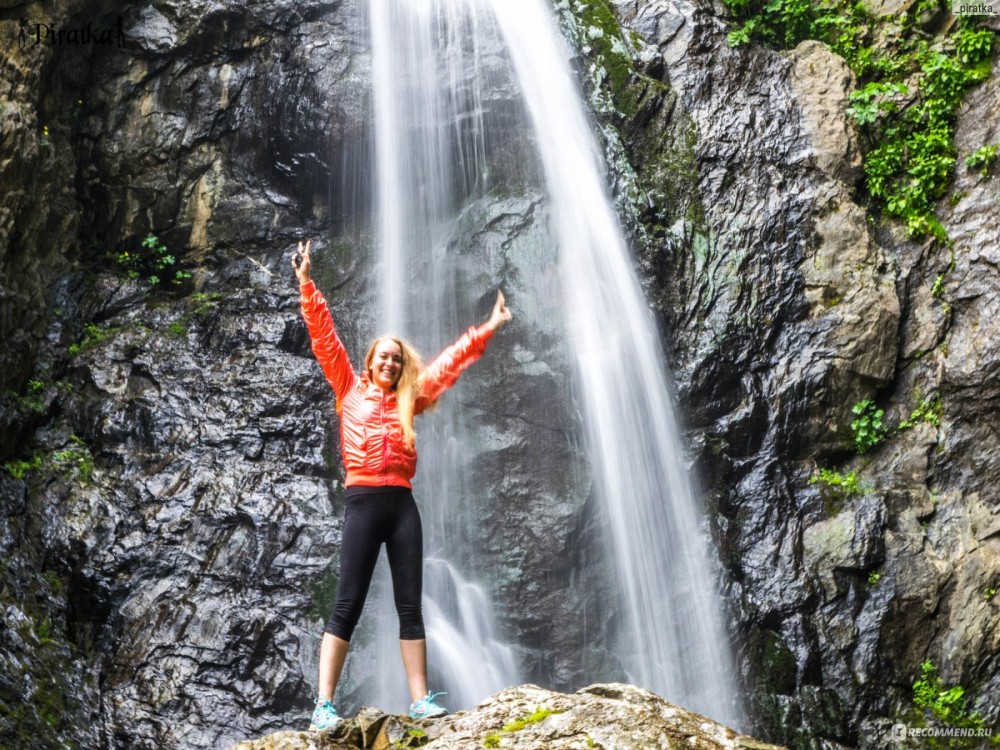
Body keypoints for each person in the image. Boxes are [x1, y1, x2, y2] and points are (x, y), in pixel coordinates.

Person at [292, 239, 512, 731]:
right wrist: (307, 284)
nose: (390, 363)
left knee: (410, 606)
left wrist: (489, 327)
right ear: (369, 363)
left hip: (401, 507)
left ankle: (419, 700)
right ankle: (323, 704)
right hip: (363, 503)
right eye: (382, 358)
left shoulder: (412, 398)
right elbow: (324, 338)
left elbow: (449, 364)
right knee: (347, 604)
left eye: (396, 359)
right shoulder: (348, 390)